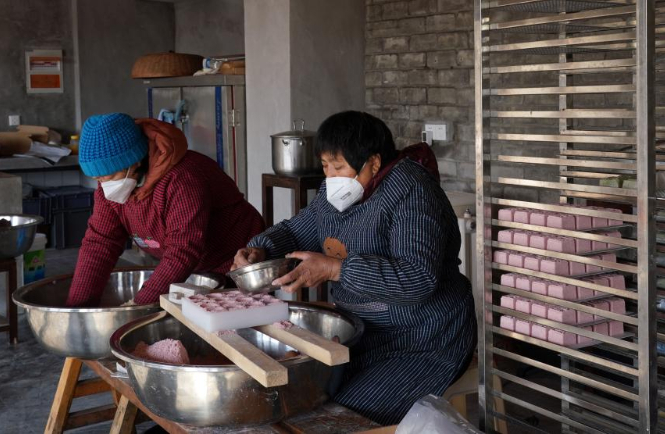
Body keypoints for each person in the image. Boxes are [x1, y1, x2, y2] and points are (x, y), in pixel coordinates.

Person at [232, 111, 476, 425]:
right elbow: (295, 231)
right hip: (361, 332)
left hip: (424, 338)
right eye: (325, 166)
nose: (331, 176)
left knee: (339, 415)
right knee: (302, 395)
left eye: (339, 166)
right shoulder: (336, 192)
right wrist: (261, 247)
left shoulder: (412, 191)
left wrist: (336, 270)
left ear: (373, 163)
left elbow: (417, 280)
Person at [66, 113, 265, 306]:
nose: (102, 184)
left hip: (236, 263)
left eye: (107, 175)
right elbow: (100, 242)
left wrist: (138, 305)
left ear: (134, 160)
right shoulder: (111, 188)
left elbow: (183, 249)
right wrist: (77, 308)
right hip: (193, 271)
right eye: (96, 178)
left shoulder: (182, 177)